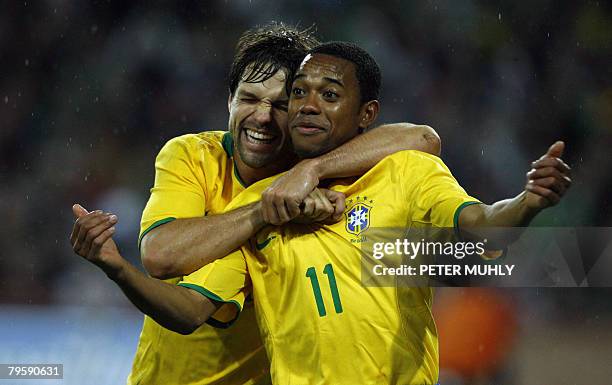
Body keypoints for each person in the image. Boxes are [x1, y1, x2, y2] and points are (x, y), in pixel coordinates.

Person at [72, 41, 571, 384]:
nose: (307, 106)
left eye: (329, 95)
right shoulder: (255, 205)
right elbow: (191, 307)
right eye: (300, 93)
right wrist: (117, 268)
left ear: (366, 116)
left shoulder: (405, 173)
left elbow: (481, 230)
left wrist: (526, 204)